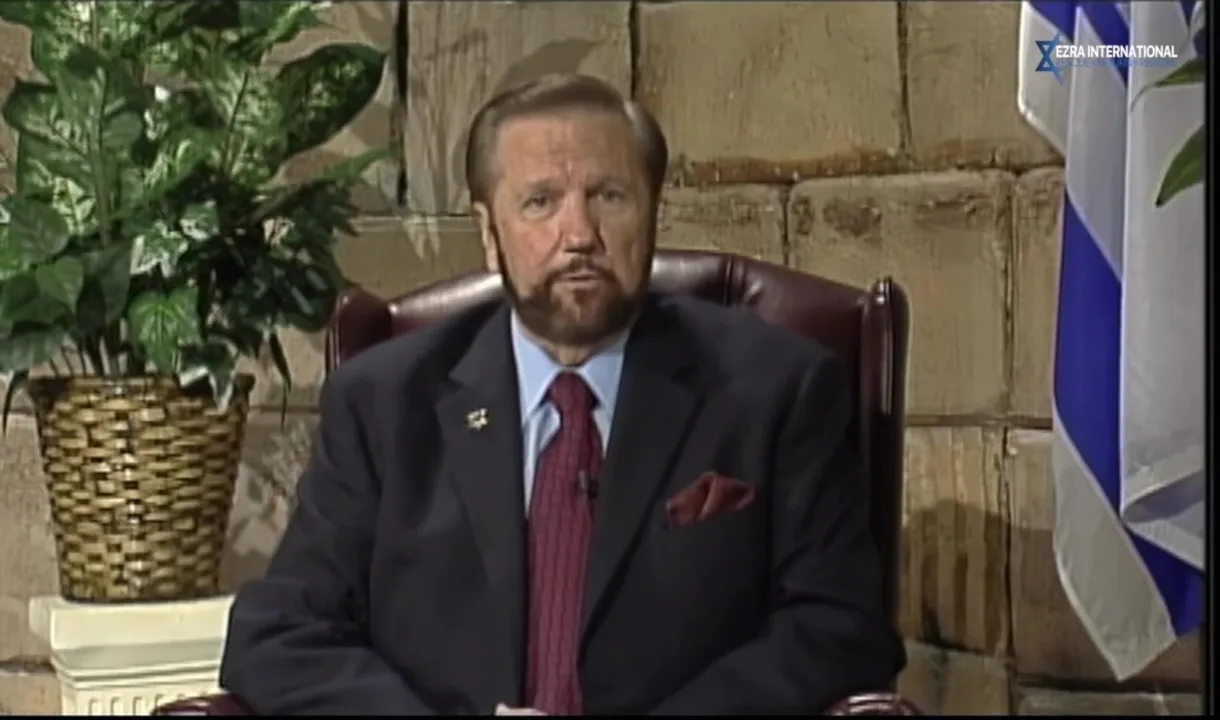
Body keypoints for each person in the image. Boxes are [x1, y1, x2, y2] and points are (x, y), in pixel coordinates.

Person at [219, 73, 905, 715]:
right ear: (489, 233)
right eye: (540, 202)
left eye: (609, 196)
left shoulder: (775, 390)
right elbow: (280, 635)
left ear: (652, 213)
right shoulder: (384, 404)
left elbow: (840, 628)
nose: (579, 235)